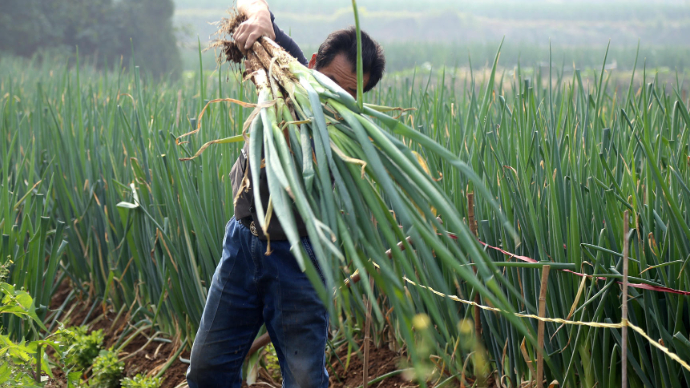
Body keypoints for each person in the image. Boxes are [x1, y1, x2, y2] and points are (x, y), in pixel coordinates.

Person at [186, 1, 385, 387]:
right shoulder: (288, 68)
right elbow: (251, 3)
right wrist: (259, 18)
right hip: (243, 244)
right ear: (310, 63)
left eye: (345, 95)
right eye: (326, 82)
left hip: (300, 260)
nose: (327, 98)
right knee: (207, 371)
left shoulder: (349, 130)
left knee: (305, 379)